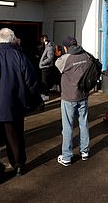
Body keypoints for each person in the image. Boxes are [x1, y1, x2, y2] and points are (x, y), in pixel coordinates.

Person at [0, 28, 38, 185]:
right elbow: (31, 81)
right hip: (14, 107)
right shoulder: (19, 56)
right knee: (15, 139)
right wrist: (33, 100)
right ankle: (18, 165)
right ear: (12, 39)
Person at [55, 36, 93, 166]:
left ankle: (66, 156)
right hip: (83, 95)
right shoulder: (87, 55)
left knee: (68, 127)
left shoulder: (65, 58)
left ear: (66, 47)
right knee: (83, 123)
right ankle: (85, 151)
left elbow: (57, 65)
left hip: (69, 97)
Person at [38, 35, 55, 102]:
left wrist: (42, 63)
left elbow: (50, 58)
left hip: (46, 67)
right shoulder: (45, 47)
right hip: (44, 67)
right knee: (44, 81)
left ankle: (46, 95)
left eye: (42, 39)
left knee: (45, 82)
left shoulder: (49, 47)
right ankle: (44, 94)